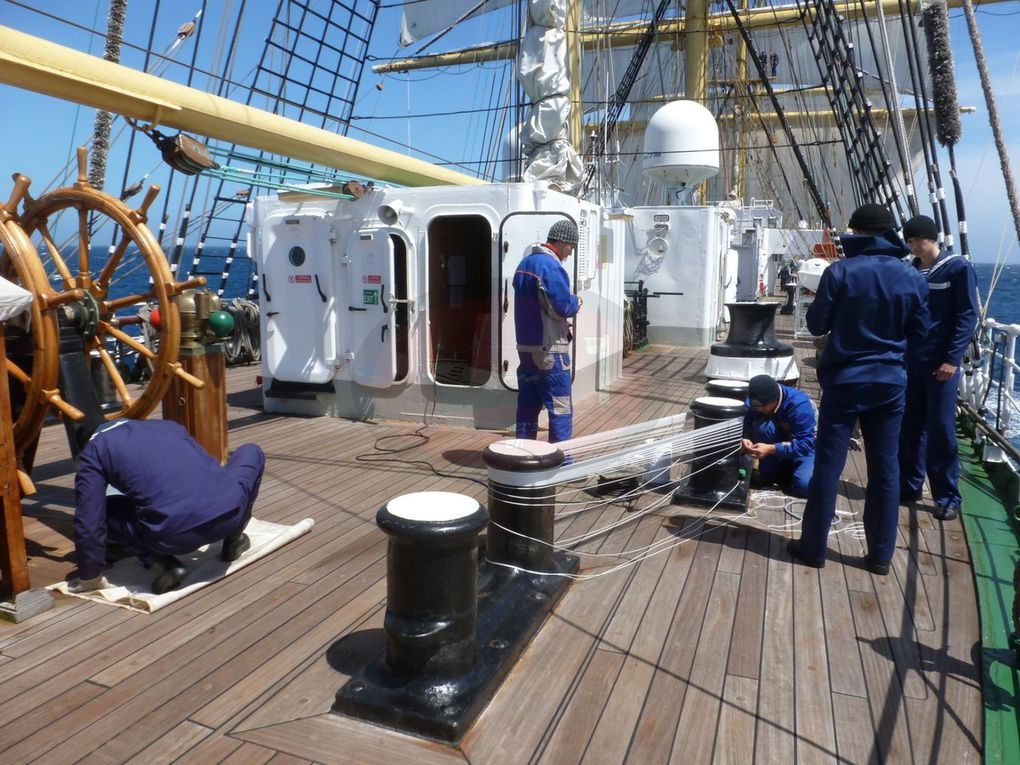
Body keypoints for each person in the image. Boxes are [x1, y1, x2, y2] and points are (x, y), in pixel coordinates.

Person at [789, 203, 929, 575]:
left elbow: (817, 326)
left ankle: (813, 547)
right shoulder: (913, 278)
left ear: (857, 231)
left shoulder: (840, 272)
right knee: (885, 470)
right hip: (889, 385)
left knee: (828, 466)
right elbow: (920, 334)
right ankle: (881, 556)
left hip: (845, 382)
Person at [70, 419, 266, 594]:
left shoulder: (94, 450)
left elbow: (89, 518)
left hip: (172, 537)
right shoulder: (167, 426)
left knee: (103, 509)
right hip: (230, 513)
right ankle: (234, 539)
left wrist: (89, 576)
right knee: (251, 451)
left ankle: (162, 563)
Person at [898, 214, 978, 521]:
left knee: (942, 429)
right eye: (911, 240)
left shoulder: (957, 268)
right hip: (912, 360)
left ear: (933, 238)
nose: (916, 245)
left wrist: (952, 359)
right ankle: (910, 485)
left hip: (941, 363)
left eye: (920, 239)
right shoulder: (911, 270)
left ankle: (946, 495)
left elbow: (966, 316)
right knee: (910, 426)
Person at [513, 219, 582, 442]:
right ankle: (561, 459)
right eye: (571, 246)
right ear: (562, 242)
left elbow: (538, 307)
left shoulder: (524, 264)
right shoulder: (551, 267)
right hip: (550, 351)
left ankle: (523, 452)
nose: (570, 253)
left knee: (527, 405)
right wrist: (577, 301)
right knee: (560, 406)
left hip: (525, 348)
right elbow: (562, 306)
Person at [741, 374, 816, 498]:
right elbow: (748, 420)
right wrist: (746, 437)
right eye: (755, 406)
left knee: (805, 486)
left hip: (805, 448)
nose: (758, 409)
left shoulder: (799, 405)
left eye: (762, 406)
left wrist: (771, 449)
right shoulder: (757, 401)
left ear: (774, 400)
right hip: (778, 441)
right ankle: (770, 473)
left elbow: (805, 444)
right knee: (764, 428)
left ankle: (792, 469)